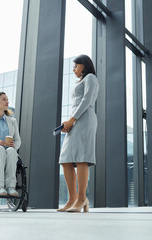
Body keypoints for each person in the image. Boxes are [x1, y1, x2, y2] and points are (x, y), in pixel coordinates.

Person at [57, 55, 99, 213]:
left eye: (75, 66)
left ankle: (82, 198)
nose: (73, 69)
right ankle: (73, 198)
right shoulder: (80, 81)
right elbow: (77, 103)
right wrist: (68, 121)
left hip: (85, 119)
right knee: (65, 159)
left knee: (82, 158)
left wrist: (72, 119)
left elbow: (87, 100)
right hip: (75, 120)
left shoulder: (90, 77)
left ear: (84, 65)